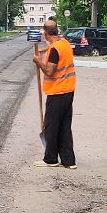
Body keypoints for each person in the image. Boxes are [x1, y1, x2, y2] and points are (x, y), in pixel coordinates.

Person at [33, 18, 76, 168]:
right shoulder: (64, 43)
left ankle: (50, 159)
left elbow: (50, 71)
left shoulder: (55, 50)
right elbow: (54, 48)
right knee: (65, 126)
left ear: (45, 34)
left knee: (51, 126)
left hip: (57, 92)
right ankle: (69, 161)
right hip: (68, 91)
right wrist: (42, 51)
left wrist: (39, 62)